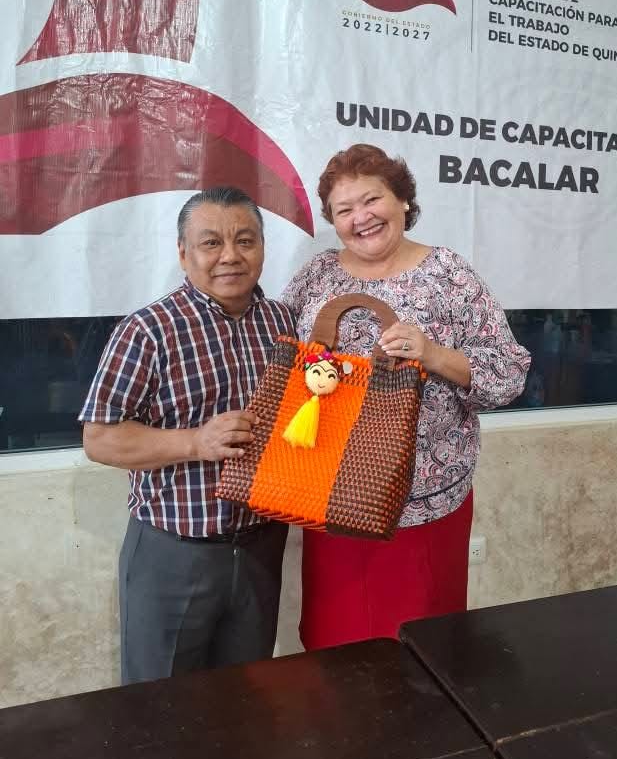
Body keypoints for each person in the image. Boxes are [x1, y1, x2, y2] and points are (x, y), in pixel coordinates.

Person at [281, 144, 531, 649]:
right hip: (330, 500)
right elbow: (283, 362)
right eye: (344, 210)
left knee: (421, 648)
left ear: (402, 200)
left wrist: (432, 354)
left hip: (425, 506)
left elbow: (508, 374)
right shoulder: (316, 276)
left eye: (372, 199)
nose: (361, 217)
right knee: (336, 645)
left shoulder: (449, 274)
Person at [80, 187, 295, 684]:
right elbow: (99, 438)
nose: (230, 256)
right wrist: (195, 442)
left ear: (263, 247)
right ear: (183, 253)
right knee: (160, 705)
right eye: (211, 242)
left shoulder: (283, 323)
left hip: (262, 547)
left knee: (245, 697)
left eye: (245, 240)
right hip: (174, 553)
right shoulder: (148, 330)